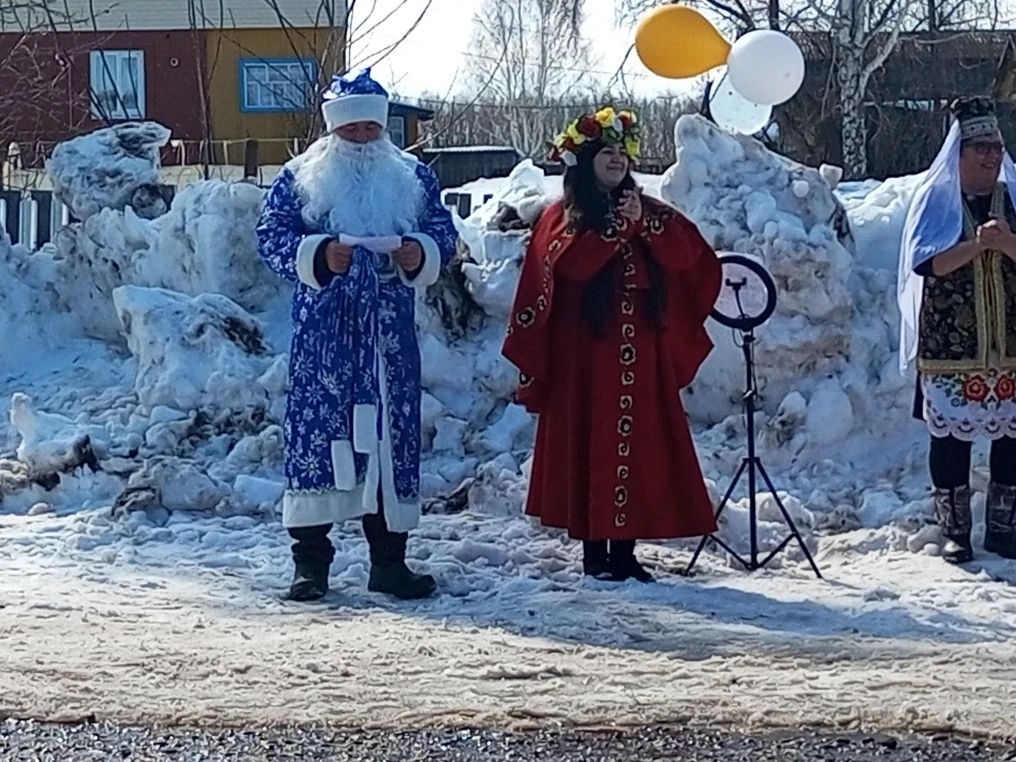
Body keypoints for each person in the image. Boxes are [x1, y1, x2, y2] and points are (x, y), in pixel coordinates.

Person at [255, 68, 458, 601]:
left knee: (391, 439)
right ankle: (310, 566)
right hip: (326, 331)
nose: (363, 138)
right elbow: (271, 236)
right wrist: (320, 254)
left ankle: (389, 563)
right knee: (319, 435)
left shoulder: (413, 176)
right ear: (333, 129)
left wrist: (420, 252)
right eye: (352, 129)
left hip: (389, 333)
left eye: (372, 128)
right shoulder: (300, 177)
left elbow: (442, 231)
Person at [501, 107, 722, 582]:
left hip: (641, 358)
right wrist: (621, 229)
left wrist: (645, 225)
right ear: (585, 161)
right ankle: (594, 553)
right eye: (607, 153)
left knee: (637, 449)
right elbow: (574, 264)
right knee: (590, 445)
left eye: (623, 153)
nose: (618, 160)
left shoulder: (647, 210)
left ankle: (624, 552)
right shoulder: (563, 216)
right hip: (584, 358)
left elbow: (692, 257)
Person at [899, 96, 1016, 564]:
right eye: (981, 148)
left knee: (1012, 436)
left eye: (996, 147)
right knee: (950, 438)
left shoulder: (1011, 197)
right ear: (959, 153)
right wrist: (976, 246)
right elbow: (926, 263)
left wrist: (1006, 243)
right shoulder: (939, 199)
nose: (991, 157)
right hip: (951, 343)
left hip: (1009, 342)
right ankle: (955, 531)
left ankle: (1004, 528)